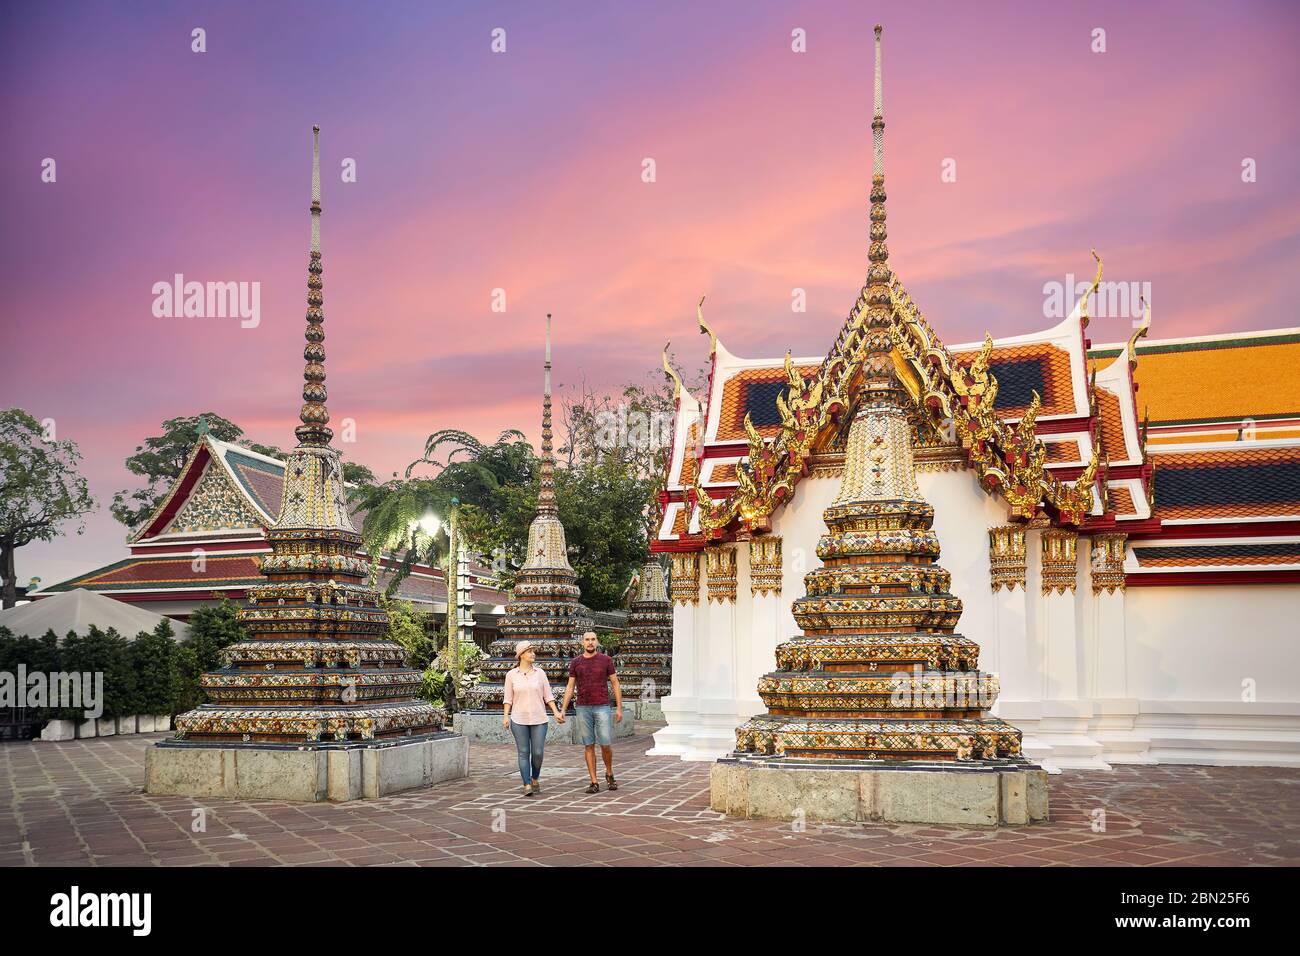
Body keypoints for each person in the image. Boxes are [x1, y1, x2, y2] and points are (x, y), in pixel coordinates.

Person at [560, 630, 622, 794]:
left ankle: (609, 773)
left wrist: (619, 708)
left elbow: (615, 683)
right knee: (588, 745)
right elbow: (570, 686)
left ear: (597, 642)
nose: (590, 642)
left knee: (605, 744)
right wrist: (563, 710)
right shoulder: (576, 662)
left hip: (602, 705)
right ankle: (594, 781)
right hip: (583, 707)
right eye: (587, 640)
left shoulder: (606, 660)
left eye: (593, 639)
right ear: (582, 642)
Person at [502, 641, 565, 796]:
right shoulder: (511, 675)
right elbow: (508, 698)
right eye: (529, 651)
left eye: (533, 651)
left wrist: (556, 712)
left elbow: (548, 695)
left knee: (537, 752)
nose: (533, 654)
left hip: (539, 719)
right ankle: (527, 784)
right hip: (518, 719)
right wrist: (505, 716)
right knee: (523, 752)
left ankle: (535, 777)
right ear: (521, 654)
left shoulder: (540, 673)